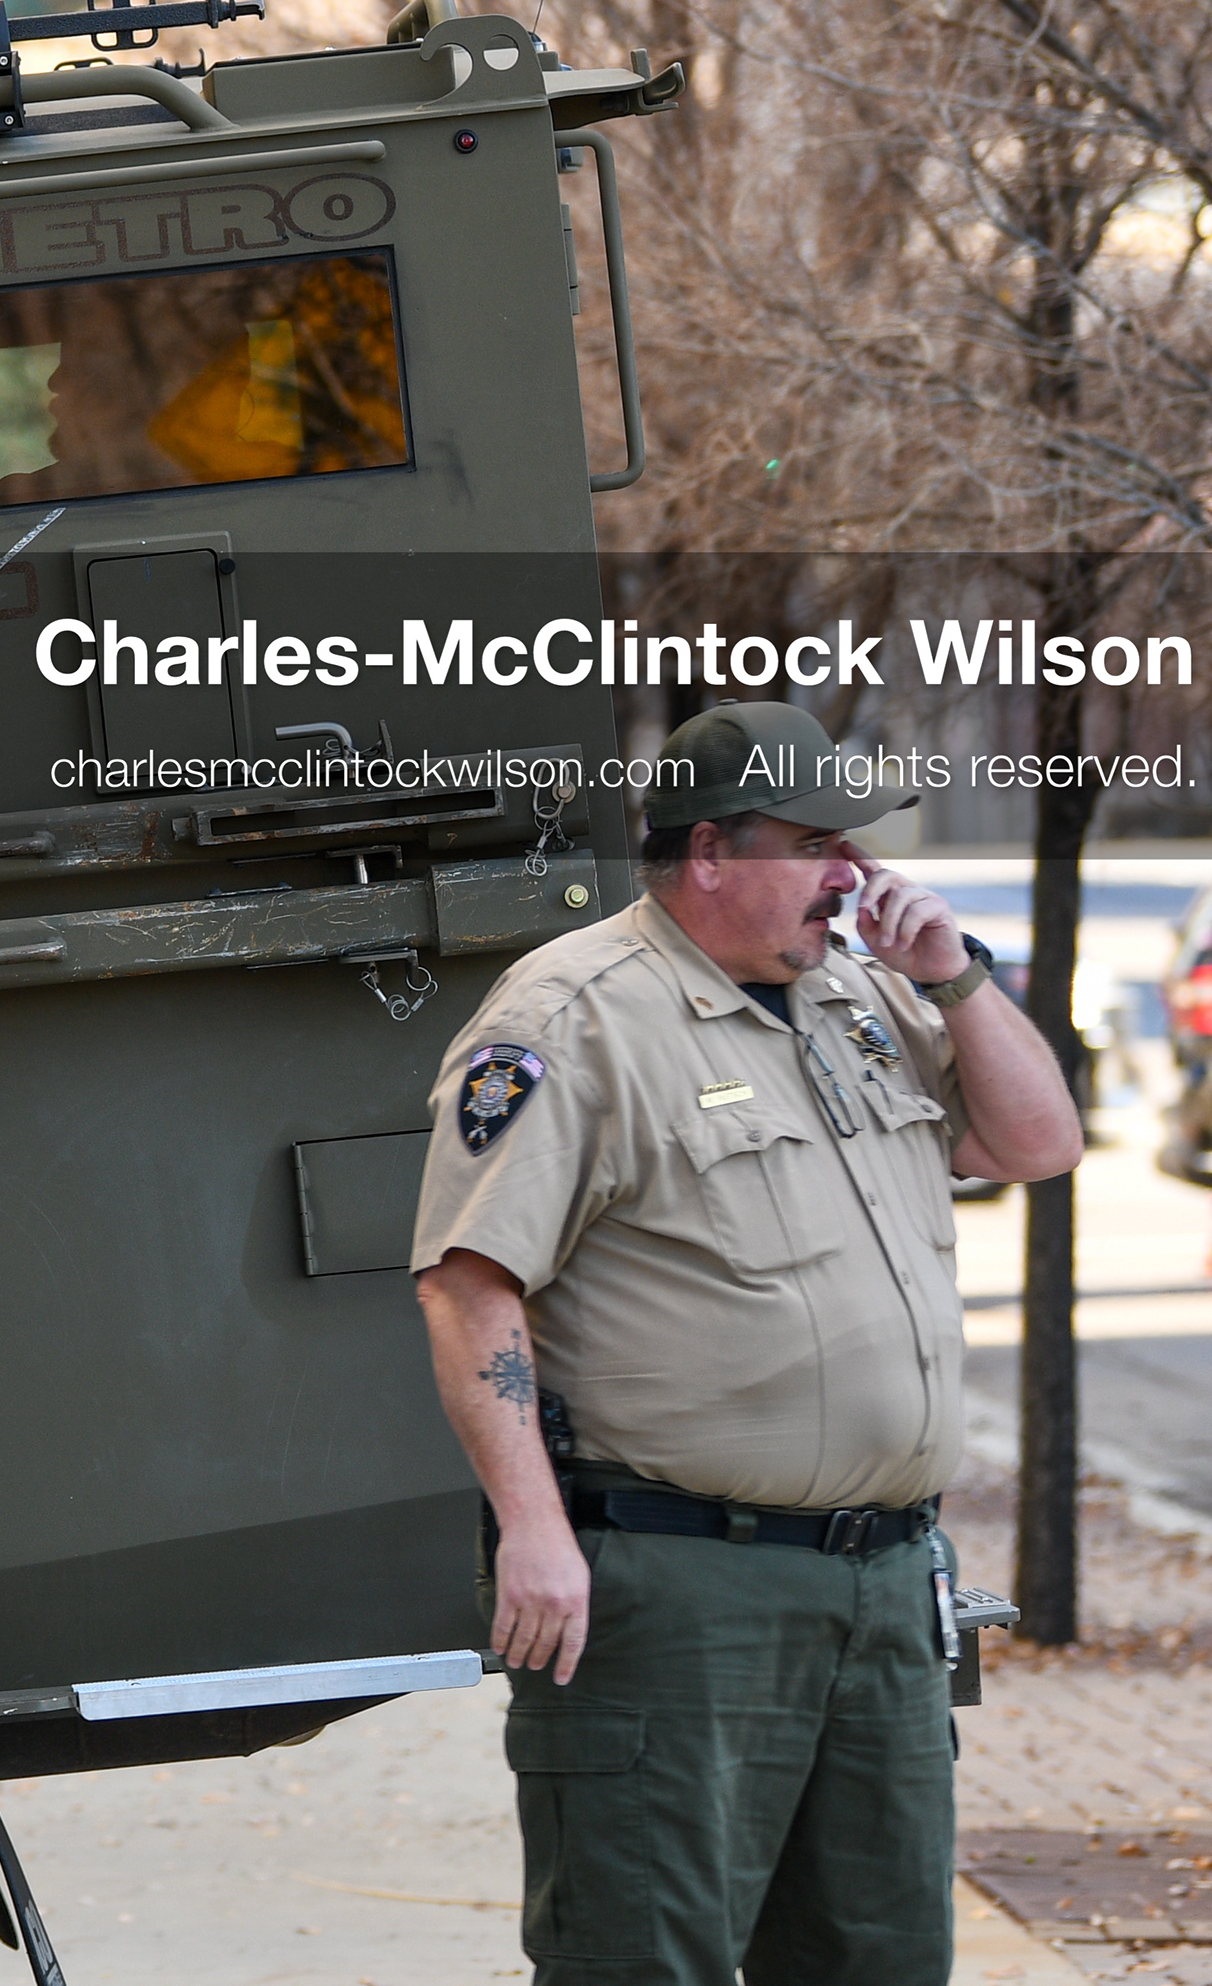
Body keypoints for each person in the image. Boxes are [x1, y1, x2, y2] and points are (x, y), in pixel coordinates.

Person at [411, 699, 1083, 1985]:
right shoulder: (574, 1015)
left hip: (883, 1587)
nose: (851, 873)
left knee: (874, 1958)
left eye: (855, 843)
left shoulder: (863, 994)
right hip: (679, 1588)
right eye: (816, 840)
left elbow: (1037, 1145)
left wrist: (956, 976)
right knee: (642, 1957)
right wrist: (534, 1531)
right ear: (710, 851)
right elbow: (469, 1284)